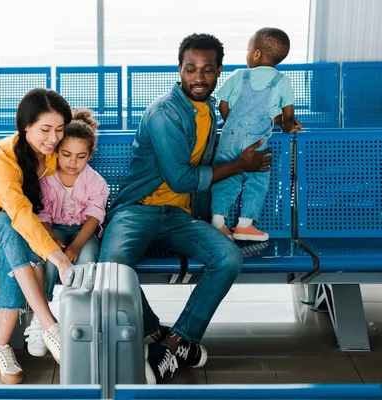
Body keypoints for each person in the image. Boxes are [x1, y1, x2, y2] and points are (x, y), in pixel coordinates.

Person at [98, 33, 272, 384]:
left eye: (207, 70)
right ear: (179, 70)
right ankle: (160, 335)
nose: (199, 77)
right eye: (191, 69)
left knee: (229, 258)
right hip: (138, 209)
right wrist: (241, 165)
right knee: (112, 268)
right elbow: (179, 179)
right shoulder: (165, 113)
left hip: (179, 217)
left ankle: (179, 340)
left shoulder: (208, 109)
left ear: (219, 71)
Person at [0, 88, 74, 384]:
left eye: (59, 130)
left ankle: (1, 346)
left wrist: (50, 241)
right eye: (45, 129)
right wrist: (58, 259)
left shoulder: (47, 156)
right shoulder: (2, 155)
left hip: (11, 227)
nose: (53, 138)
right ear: (25, 126)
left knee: (11, 249)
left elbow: (37, 211)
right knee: (12, 230)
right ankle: (48, 324)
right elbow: (19, 213)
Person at [23, 108, 109, 358]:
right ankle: (42, 319)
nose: (73, 162)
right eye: (66, 155)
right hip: (55, 230)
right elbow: (43, 215)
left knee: (88, 262)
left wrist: (76, 246)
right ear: (57, 152)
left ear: (90, 155)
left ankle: (80, 319)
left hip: (84, 233)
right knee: (48, 262)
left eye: (80, 157)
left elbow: (94, 218)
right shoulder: (47, 180)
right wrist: (51, 238)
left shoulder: (96, 183)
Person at [211, 27, 302, 242]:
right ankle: (244, 225)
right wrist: (289, 125)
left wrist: (232, 123)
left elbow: (222, 104)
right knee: (257, 180)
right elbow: (288, 117)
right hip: (257, 142)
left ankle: (217, 222)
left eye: (248, 49)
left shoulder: (238, 76)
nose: (247, 53)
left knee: (226, 177)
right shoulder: (282, 81)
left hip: (228, 138)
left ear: (257, 53)